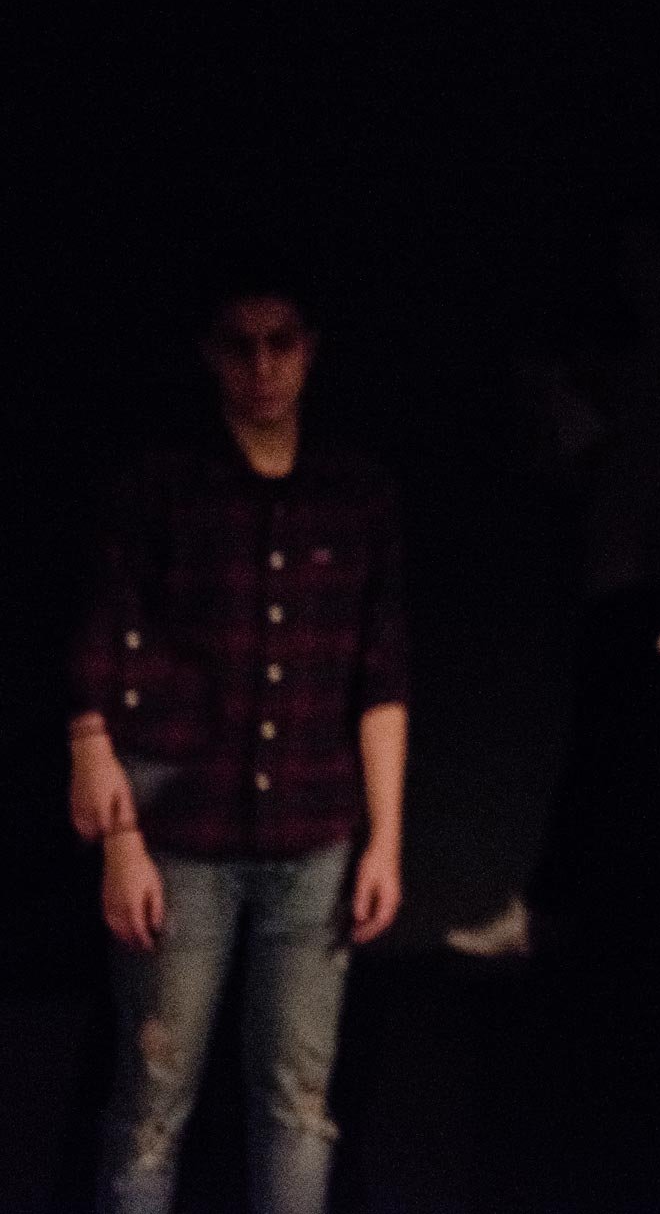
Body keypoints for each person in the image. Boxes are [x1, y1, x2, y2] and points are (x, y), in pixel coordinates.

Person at [65, 272, 409, 1214]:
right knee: (151, 1103)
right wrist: (120, 835)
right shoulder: (162, 487)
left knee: (298, 1104)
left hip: (314, 832)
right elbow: (103, 653)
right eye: (240, 344)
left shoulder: (352, 494)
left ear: (311, 348)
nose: (262, 367)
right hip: (181, 834)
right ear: (210, 353)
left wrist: (386, 838)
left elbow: (380, 678)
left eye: (281, 342)